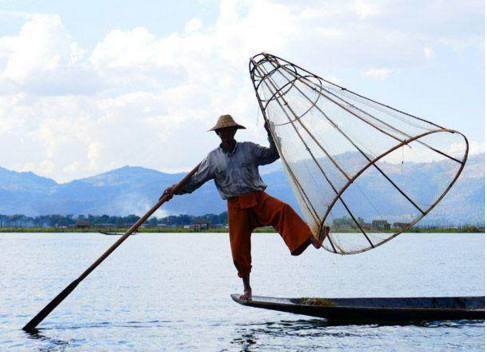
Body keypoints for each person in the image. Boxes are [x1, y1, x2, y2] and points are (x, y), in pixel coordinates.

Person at [161, 114, 328, 300]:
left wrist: (270, 134)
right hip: (235, 205)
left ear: (234, 131)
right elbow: (194, 181)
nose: (226, 134)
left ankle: (313, 240)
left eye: (229, 130)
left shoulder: (249, 149)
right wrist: (175, 190)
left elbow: (272, 155)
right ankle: (247, 288)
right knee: (239, 249)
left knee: (283, 210)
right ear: (218, 134)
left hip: (257, 197)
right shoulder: (213, 159)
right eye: (222, 131)